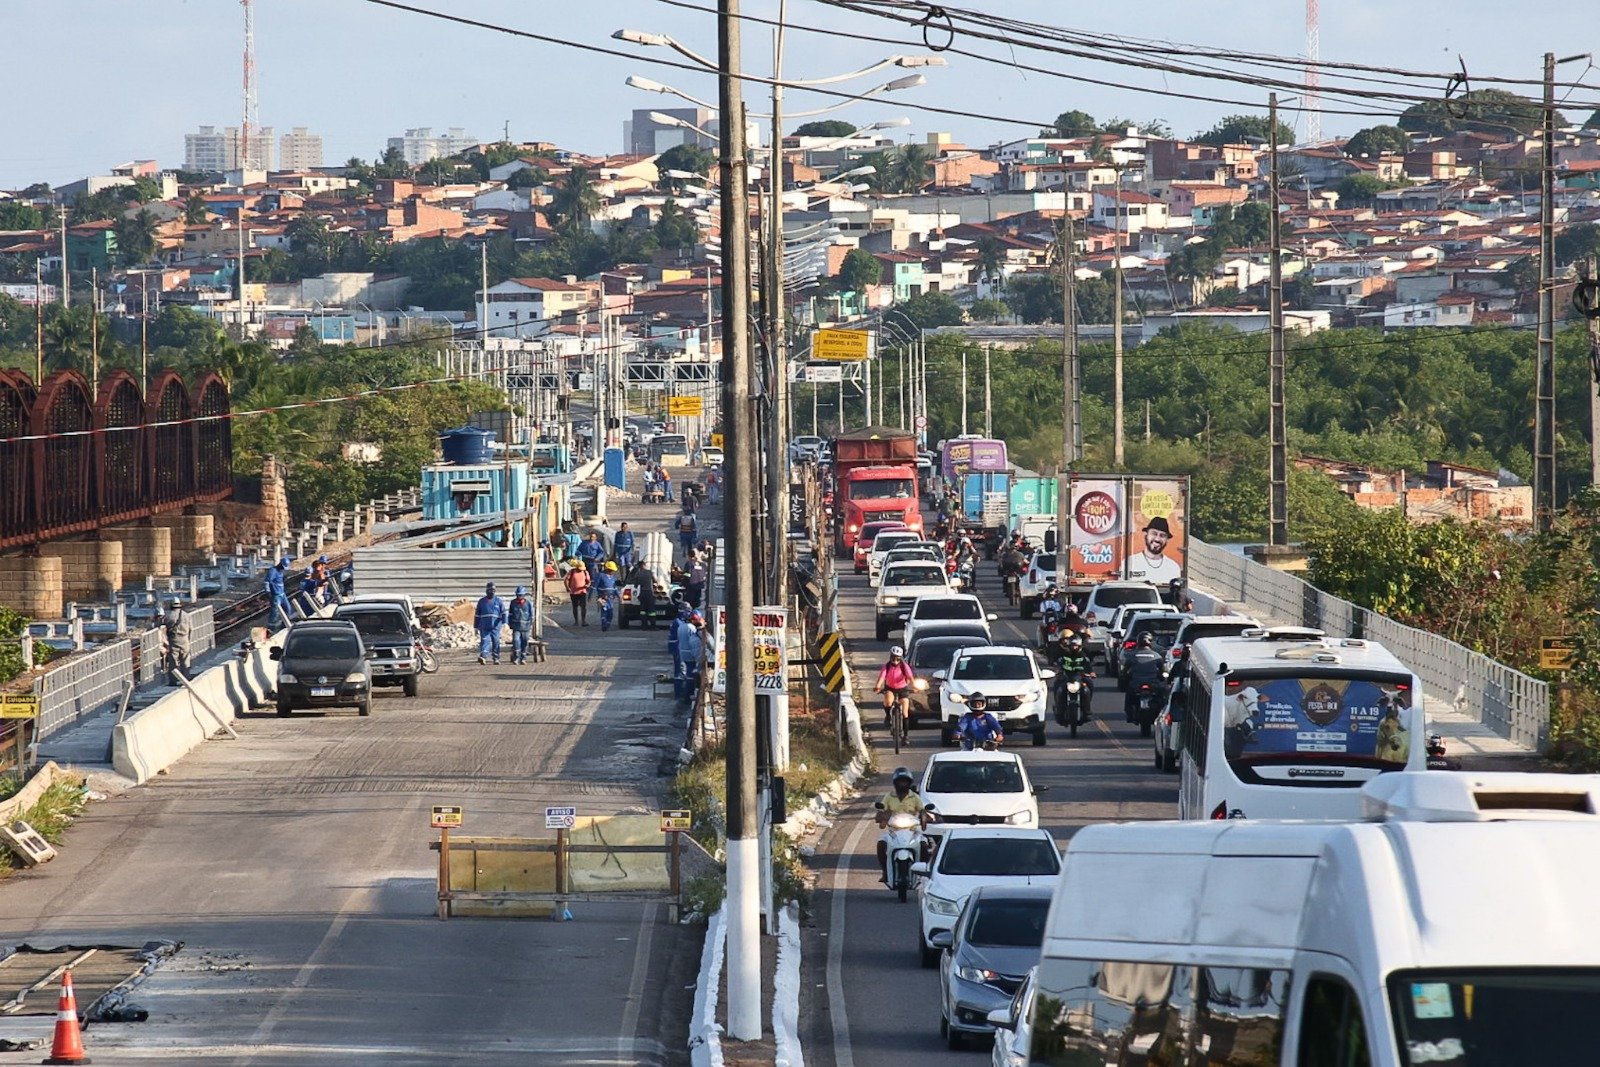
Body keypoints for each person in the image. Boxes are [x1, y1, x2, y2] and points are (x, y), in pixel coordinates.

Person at [875, 767, 930, 884]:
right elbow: (882, 810)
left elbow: (922, 811)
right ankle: (885, 871)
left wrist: (924, 818)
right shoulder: (889, 797)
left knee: (924, 846)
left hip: (912, 831)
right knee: (881, 844)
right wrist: (881, 817)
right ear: (895, 783)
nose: (902, 784)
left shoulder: (915, 797)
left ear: (909, 783)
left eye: (905, 781)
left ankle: (923, 873)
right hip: (894, 831)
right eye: (900, 782)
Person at [1126, 516, 1183, 585]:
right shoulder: (1130, 562)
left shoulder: (1173, 567)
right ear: (1146, 535)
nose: (1157, 539)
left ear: (1167, 540)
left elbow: (1177, 591)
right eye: (1154, 533)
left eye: (1162, 535)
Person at [1123, 633, 1167, 723]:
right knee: (1163, 697)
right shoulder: (1157, 656)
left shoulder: (1132, 655)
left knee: (1129, 698)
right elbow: (1163, 671)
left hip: (1137, 684)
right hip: (1153, 684)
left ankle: (1130, 715)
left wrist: (1125, 677)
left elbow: (1125, 671)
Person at [873, 646, 915, 733]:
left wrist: (915, 687)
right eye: (893, 658)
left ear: (901, 659)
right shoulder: (887, 666)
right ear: (890, 657)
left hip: (903, 689)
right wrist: (877, 686)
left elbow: (910, 678)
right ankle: (888, 715)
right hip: (890, 688)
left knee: (905, 713)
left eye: (898, 659)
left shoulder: (904, 666)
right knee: (888, 702)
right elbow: (882, 677)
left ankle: (906, 736)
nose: (895, 661)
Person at [1057, 633, 1095, 722]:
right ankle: (1059, 710)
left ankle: (1086, 710)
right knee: (1058, 688)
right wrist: (1058, 672)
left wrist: (1091, 673)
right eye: (1072, 645)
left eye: (1076, 645)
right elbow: (1059, 664)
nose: (1074, 647)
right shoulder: (1064, 654)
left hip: (1080, 677)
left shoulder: (1084, 655)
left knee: (1088, 688)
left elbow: (1089, 666)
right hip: (1066, 677)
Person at [474, 581, 506, 665]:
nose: (491, 592)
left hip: (495, 626)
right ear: (486, 590)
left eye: (493, 590)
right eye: (490, 590)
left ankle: (496, 658)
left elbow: (503, 613)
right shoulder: (481, 601)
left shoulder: (498, 601)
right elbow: (477, 615)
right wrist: (476, 626)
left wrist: (504, 623)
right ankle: (483, 656)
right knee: (485, 640)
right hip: (484, 626)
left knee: (496, 641)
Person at [162, 599, 193, 684]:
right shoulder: (186, 615)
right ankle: (186, 678)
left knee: (173, 661)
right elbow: (191, 629)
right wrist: (188, 639)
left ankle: (173, 681)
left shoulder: (168, 616)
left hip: (174, 640)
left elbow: (163, 626)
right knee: (185, 660)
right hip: (185, 639)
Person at [506, 586, 534, 665]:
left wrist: (530, 624)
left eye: (521, 595)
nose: (519, 597)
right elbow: (510, 614)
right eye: (518, 595)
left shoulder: (528, 603)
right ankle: (516, 657)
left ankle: (523, 658)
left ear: (524, 595)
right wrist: (510, 624)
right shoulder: (513, 603)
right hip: (516, 627)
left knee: (524, 642)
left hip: (525, 628)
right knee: (516, 641)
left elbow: (531, 615)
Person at [264, 555, 293, 629]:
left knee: (288, 609)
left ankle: (284, 626)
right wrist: (268, 592)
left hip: (282, 594)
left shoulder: (280, 571)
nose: (284, 569)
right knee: (275, 612)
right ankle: (270, 628)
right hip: (276, 595)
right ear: (280, 564)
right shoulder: (273, 571)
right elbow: (267, 582)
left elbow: (278, 581)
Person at [630, 560, 660, 629]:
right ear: (644, 565)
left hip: (642, 593)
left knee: (643, 611)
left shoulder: (638, 574)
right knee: (651, 611)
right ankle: (653, 626)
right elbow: (655, 581)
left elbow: (635, 585)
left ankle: (644, 626)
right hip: (649, 593)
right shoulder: (650, 572)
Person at [593, 561, 621, 632]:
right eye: (610, 570)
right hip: (603, 598)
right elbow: (594, 587)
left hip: (611, 599)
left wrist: (619, 596)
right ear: (607, 569)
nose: (612, 572)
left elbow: (615, 589)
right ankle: (604, 625)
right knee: (604, 611)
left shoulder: (613, 578)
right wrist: (591, 596)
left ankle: (608, 624)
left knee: (610, 613)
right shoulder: (600, 575)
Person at [563, 561, 592, 627]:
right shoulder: (572, 572)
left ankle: (583, 621)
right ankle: (576, 621)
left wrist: (587, 585)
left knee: (583, 607)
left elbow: (588, 581)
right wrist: (567, 587)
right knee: (575, 607)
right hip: (573, 592)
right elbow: (566, 580)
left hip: (582, 592)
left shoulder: (585, 572)